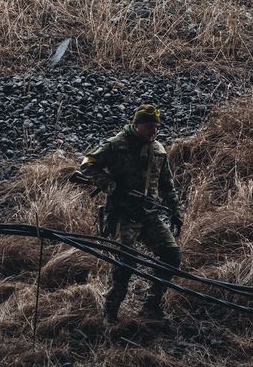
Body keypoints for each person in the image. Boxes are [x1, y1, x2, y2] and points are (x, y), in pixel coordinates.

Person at [79, 104, 185, 323]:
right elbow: (88, 164)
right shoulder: (116, 144)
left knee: (172, 254)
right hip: (122, 214)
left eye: (156, 127)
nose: (153, 131)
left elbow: (167, 185)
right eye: (149, 126)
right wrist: (112, 186)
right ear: (137, 125)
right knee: (126, 263)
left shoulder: (158, 150)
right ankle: (111, 312)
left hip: (149, 215)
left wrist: (176, 212)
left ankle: (151, 306)